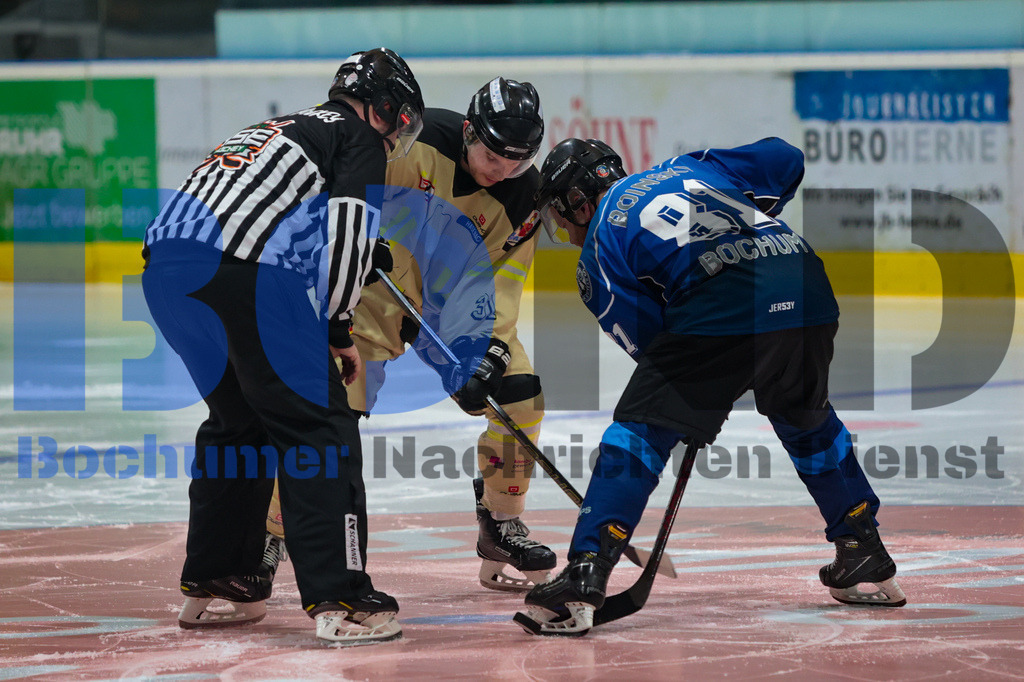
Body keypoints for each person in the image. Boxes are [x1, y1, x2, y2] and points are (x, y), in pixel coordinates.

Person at [517, 137, 907, 636]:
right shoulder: (687, 166)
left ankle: (587, 569)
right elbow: (786, 158)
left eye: (559, 214)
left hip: (724, 297)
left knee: (638, 429)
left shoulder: (597, 245)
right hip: (804, 280)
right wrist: (752, 226)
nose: (564, 231)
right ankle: (863, 549)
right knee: (805, 415)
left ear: (578, 200)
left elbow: (654, 348)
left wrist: (692, 404)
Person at [141, 48, 424, 645]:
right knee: (320, 427)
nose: (400, 136)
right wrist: (337, 328)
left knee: (238, 420)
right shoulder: (358, 137)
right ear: (383, 107)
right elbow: (349, 237)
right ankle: (341, 597)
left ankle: (222, 578)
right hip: (245, 273)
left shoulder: (280, 128)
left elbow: (272, 212)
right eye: (400, 121)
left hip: (165, 271)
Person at [264, 77, 554, 592]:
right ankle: (269, 533)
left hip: (453, 310)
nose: (503, 171)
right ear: (468, 131)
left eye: (519, 161)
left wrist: (489, 348)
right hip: (373, 296)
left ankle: (500, 521)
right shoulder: (411, 140)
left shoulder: (525, 194)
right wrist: (351, 246)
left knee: (519, 395)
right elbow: (342, 189)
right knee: (328, 412)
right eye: (493, 155)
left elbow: (504, 279)